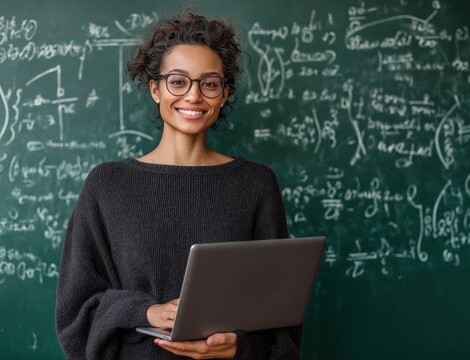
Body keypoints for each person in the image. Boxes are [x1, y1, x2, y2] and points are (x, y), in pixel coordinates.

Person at [55, 9, 301, 360]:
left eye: (209, 83)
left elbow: (280, 320)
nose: (194, 96)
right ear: (155, 88)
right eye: (178, 81)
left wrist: (242, 347)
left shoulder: (256, 184)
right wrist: (146, 311)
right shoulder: (107, 185)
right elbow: (75, 315)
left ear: (224, 93)